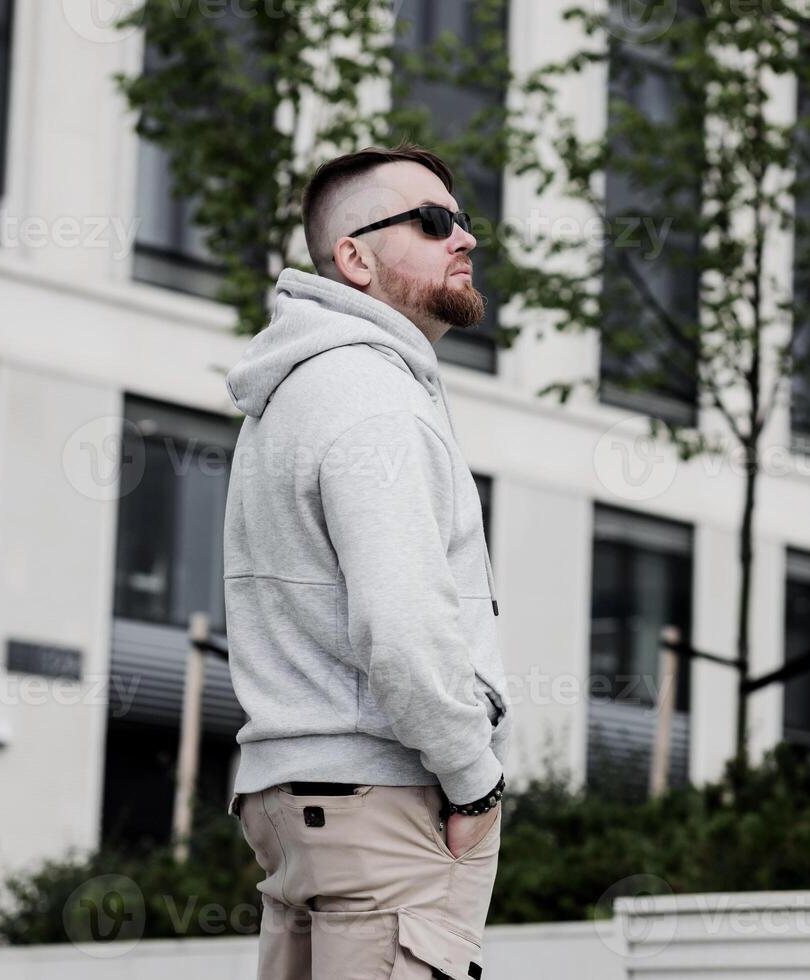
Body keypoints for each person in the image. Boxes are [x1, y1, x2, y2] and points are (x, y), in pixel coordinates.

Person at [221, 142, 511, 980]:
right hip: (383, 805)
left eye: (461, 221)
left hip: (297, 804)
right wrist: (474, 779)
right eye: (432, 222)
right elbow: (400, 623)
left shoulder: (292, 394)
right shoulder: (375, 400)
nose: (464, 239)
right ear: (353, 257)